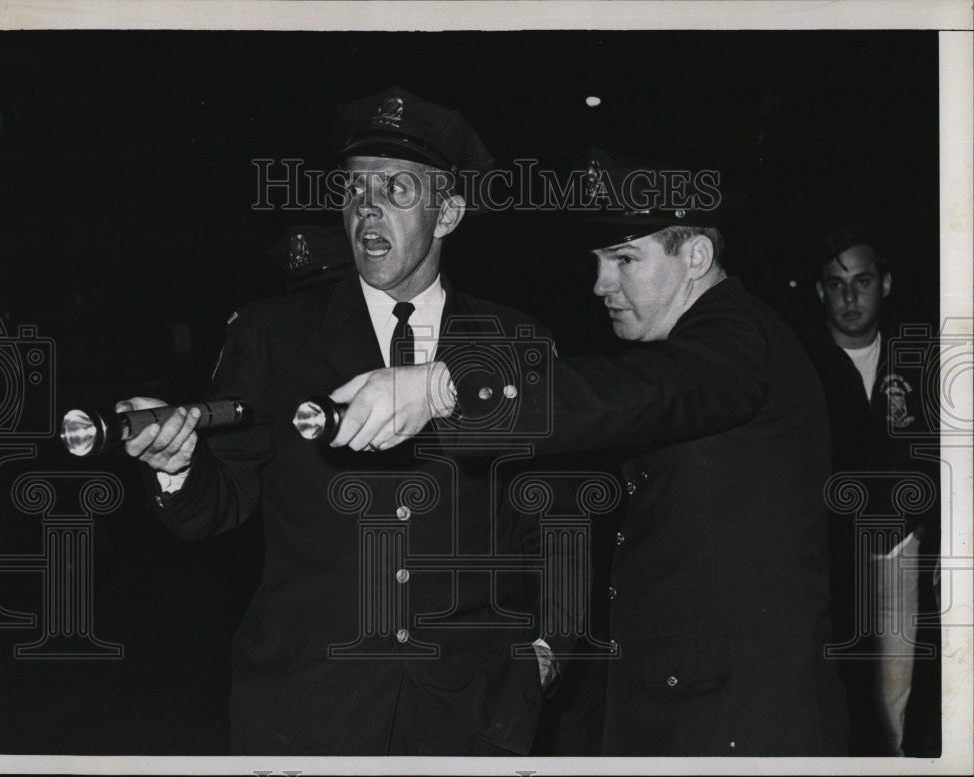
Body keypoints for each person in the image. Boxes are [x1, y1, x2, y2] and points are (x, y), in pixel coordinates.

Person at [329, 149, 850, 755]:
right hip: (692, 704)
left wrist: (442, 386)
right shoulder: (696, 346)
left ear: (697, 258)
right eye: (599, 261)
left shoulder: (735, 337)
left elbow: (630, 395)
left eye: (625, 259)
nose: (600, 284)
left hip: (740, 720)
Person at [117, 87, 559, 755]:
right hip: (311, 701)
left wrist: (552, 641)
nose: (367, 208)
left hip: (473, 711)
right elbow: (219, 502)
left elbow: (549, 512)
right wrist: (178, 465)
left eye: (397, 189)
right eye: (355, 190)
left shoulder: (512, 339)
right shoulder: (274, 334)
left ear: (449, 213)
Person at [802, 225, 939, 755]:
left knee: (897, 696)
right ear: (820, 292)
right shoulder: (801, 369)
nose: (850, 296)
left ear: (884, 284)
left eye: (862, 280)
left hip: (900, 555)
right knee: (837, 697)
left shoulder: (918, 361)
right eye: (836, 284)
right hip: (827, 563)